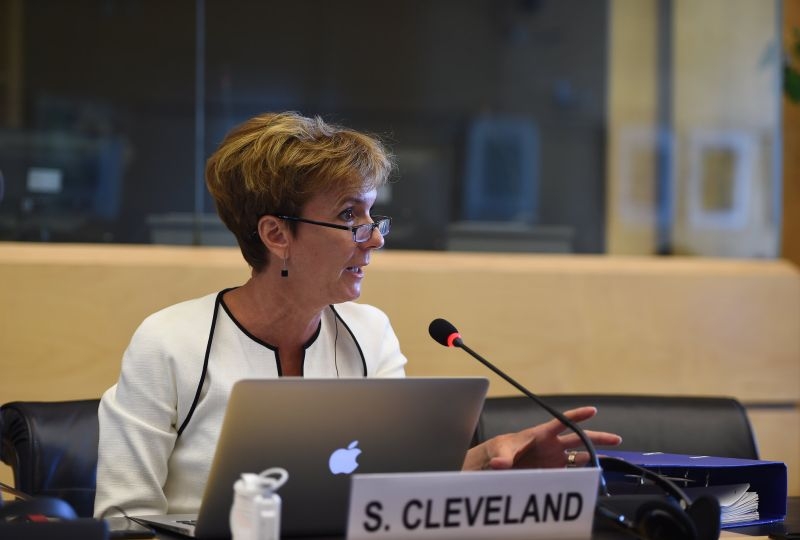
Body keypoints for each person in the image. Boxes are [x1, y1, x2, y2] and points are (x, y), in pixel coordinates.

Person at [94, 111, 621, 518]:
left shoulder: (371, 334)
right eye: (349, 216)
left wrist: (489, 462)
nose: (373, 239)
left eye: (374, 214)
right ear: (277, 235)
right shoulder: (169, 342)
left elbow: (400, 488)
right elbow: (122, 518)